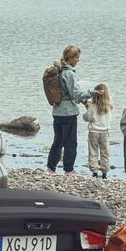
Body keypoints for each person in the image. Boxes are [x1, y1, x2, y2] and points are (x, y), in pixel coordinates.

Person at [47, 45, 95, 174]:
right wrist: (93, 92)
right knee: (71, 143)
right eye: (76, 57)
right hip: (68, 113)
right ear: (69, 58)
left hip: (57, 112)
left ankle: (50, 168)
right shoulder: (69, 73)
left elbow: (67, 93)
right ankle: (69, 170)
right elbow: (75, 94)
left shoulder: (59, 70)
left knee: (58, 141)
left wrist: (84, 102)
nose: (78, 60)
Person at [83, 83, 113, 179]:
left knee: (93, 151)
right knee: (105, 152)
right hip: (105, 132)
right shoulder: (109, 106)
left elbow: (87, 118)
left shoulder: (93, 106)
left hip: (94, 132)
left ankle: (94, 171)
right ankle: (104, 172)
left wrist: (87, 109)